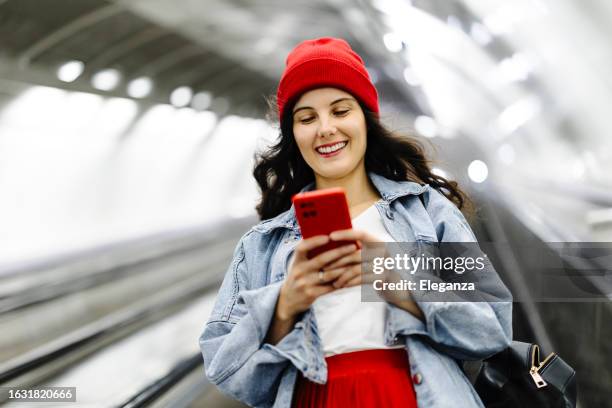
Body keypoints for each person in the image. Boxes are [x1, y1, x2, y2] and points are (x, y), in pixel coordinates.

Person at [199, 37, 512, 408]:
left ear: (365, 118)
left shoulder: (428, 212)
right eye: (307, 117)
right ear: (293, 134)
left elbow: (493, 327)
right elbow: (224, 367)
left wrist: (402, 287)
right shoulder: (262, 244)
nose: (325, 128)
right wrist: (283, 307)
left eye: (340, 110)